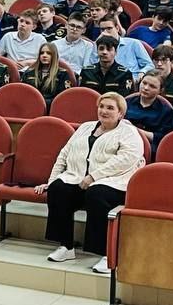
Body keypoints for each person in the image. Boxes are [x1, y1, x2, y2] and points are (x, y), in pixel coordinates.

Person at [40, 92, 145, 274]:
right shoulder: (85, 127)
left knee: (96, 194)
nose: (104, 111)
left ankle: (106, 254)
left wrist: (94, 176)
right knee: (58, 189)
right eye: (101, 106)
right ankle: (66, 246)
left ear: (121, 113)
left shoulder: (129, 133)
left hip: (115, 183)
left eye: (110, 108)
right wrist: (52, 180)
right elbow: (64, 154)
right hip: (79, 178)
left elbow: (126, 159)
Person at [125, 73, 173, 155]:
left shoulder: (166, 111)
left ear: (160, 90)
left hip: (149, 147)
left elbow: (161, 138)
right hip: (123, 140)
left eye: (152, 86)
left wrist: (134, 129)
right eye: (144, 83)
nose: (146, 88)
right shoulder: (127, 102)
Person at [22, 42, 73, 107]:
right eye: (42, 53)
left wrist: (42, 103)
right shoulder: (29, 72)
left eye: (49, 53)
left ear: (54, 56)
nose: (44, 55)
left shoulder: (63, 74)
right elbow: (22, 93)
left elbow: (64, 98)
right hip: (30, 107)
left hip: (51, 108)